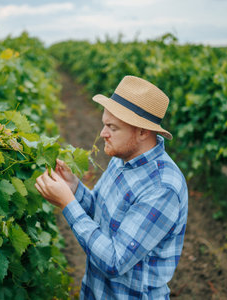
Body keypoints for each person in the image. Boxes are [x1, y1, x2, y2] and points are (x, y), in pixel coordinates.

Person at [35, 75, 188, 299]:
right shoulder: (122, 158)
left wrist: (68, 204)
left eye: (112, 128)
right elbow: (100, 212)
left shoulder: (162, 188)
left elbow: (115, 262)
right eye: (104, 124)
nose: (102, 134)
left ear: (143, 132)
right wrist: (75, 188)